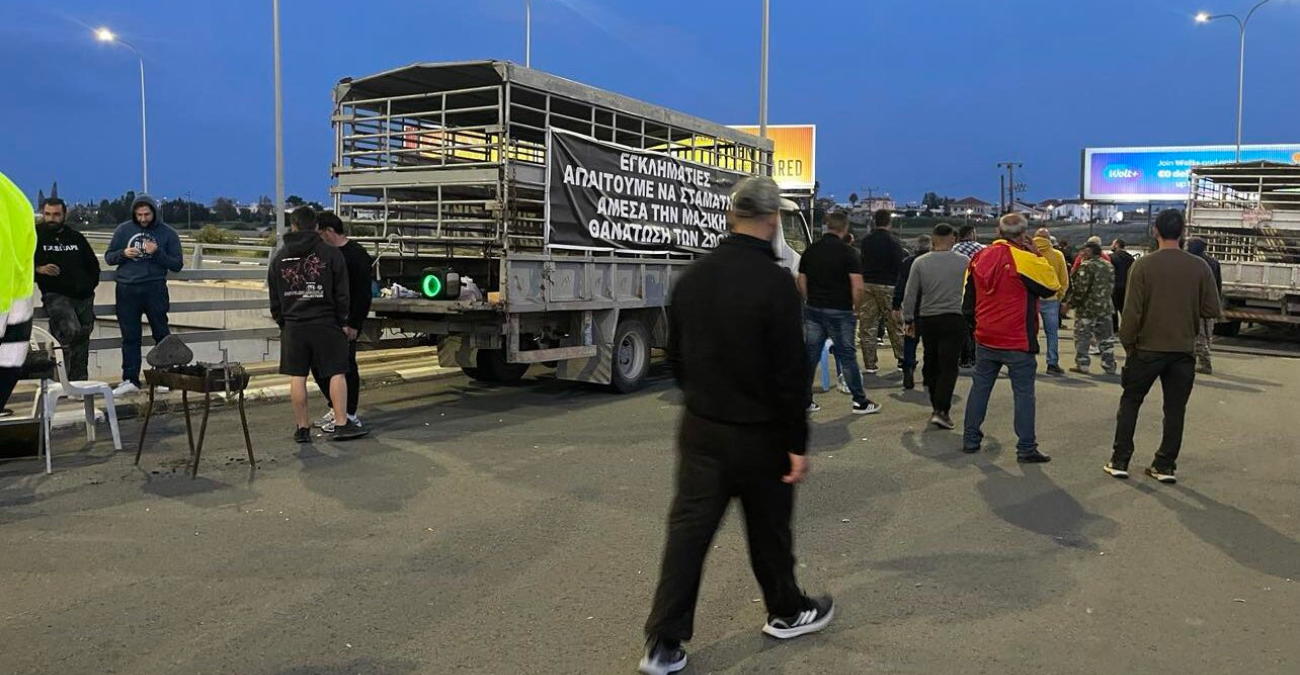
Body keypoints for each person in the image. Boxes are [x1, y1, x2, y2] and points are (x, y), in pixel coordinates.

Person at [640, 176, 832, 675]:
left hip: (701, 428)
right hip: (761, 433)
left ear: (732, 216)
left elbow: (676, 356)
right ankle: (786, 611)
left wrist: (703, 398)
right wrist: (796, 443)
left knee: (689, 533)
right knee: (769, 530)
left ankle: (663, 642)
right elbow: (790, 373)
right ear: (772, 219)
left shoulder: (694, 277)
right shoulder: (776, 284)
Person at [1106, 210, 1221, 483]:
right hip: (1182, 350)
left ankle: (1120, 460)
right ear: (1183, 232)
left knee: (1131, 402)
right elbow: (1211, 309)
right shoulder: (1200, 267)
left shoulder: (1143, 266)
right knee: (1175, 410)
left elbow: (1131, 313)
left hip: (1146, 348)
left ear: (1155, 231)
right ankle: (1165, 465)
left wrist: (1129, 344)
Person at [961, 213, 1061, 461]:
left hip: (986, 337)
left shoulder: (979, 257)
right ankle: (1026, 447)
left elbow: (967, 301)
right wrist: (1037, 255)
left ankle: (970, 438)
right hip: (1018, 339)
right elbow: (1051, 286)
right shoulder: (1024, 259)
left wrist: (978, 327)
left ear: (998, 231)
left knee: (980, 388)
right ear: (1024, 234)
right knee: (1024, 394)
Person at [268, 206, 367, 443]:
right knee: (337, 373)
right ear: (315, 226)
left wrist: (283, 321)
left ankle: (302, 429)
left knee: (298, 376)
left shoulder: (280, 258)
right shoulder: (331, 254)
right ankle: (342, 423)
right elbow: (342, 293)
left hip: (293, 325)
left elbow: (274, 298)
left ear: (293, 226)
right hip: (326, 322)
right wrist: (342, 320)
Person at [799, 212, 881, 416]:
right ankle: (860, 401)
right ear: (845, 229)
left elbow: (801, 279)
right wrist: (856, 308)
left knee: (810, 355)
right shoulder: (849, 252)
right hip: (841, 311)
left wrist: (808, 299)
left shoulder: (811, 250)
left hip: (814, 309)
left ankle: (804, 400)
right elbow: (858, 286)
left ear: (827, 226)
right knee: (847, 357)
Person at [104, 195, 183, 395]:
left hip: (155, 288)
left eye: (147, 214)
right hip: (127, 289)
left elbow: (177, 264)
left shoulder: (168, 233)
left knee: (161, 333)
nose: (143, 218)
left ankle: (164, 377)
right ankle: (130, 379)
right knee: (130, 337)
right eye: (139, 215)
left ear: (154, 212)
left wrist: (157, 253)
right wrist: (123, 253)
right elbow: (109, 257)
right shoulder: (123, 230)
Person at [311, 211, 374, 432]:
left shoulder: (357, 255)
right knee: (318, 365)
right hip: (326, 318)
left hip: (347, 319)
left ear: (329, 231)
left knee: (345, 366)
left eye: (320, 234)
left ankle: (349, 413)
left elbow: (363, 293)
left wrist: (355, 323)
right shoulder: (324, 254)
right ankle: (335, 406)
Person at [902, 224, 969, 430]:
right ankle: (942, 410)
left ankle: (935, 404)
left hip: (928, 318)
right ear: (953, 239)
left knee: (931, 360)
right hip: (955, 317)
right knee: (949, 365)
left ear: (933, 240)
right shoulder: (965, 262)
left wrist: (908, 319)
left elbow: (910, 293)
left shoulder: (920, 262)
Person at [34, 198, 100, 381]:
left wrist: (89, 286)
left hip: (84, 296)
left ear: (64, 215)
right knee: (70, 332)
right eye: (48, 214)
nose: (51, 218)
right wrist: (37, 269)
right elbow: (19, 263)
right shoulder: (34, 236)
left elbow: (93, 265)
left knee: (83, 337)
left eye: (56, 214)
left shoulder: (75, 237)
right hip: (56, 295)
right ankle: (61, 382)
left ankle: (79, 383)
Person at [856, 209, 906, 374]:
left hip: (868, 284)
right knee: (895, 325)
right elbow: (899, 265)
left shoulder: (866, 240)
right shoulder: (894, 241)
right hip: (888, 285)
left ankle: (870, 364)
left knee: (868, 326)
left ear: (875, 221)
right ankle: (902, 360)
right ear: (889, 222)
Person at [1064, 242, 1117, 375]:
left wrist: (1070, 304)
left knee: (1083, 337)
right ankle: (1109, 364)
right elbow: (1111, 286)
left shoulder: (1087, 266)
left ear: (1089, 251)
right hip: (1105, 307)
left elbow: (1081, 289)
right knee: (1106, 338)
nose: (1081, 253)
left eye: (1083, 251)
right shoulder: (1108, 265)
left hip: (1088, 309)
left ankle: (1083, 364)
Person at [893, 234, 932, 390]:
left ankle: (908, 367)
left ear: (916, 247)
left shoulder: (907, 262)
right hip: (931, 309)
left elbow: (901, 285)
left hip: (913, 308)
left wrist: (896, 305)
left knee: (910, 341)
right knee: (930, 344)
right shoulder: (934, 262)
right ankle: (928, 374)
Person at [1032, 228, 1070, 376]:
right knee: (1052, 333)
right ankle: (1052, 363)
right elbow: (1064, 279)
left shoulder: (1027, 252)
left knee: (1029, 332)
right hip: (1051, 298)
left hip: (1031, 298)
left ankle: (1028, 363)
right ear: (1049, 239)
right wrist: (1059, 296)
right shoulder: (1057, 255)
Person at [1186, 237, 1222, 374]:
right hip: (1209, 302)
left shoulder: (1192, 262)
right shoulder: (1213, 262)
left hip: (1196, 303)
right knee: (1207, 333)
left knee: (1198, 334)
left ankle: (1205, 363)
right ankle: (1202, 359)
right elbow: (1218, 285)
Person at [953, 224, 984, 367]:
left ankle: (963, 357)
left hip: (958, 291)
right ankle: (975, 356)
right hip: (977, 292)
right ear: (971, 234)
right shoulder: (982, 249)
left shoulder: (954, 249)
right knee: (976, 325)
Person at [1109, 239, 1135, 331]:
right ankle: (1127, 327)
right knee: (1124, 308)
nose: (1111, 245)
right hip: (1127, 286)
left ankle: (1115, 328)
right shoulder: (1130, 258)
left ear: (1117, 245)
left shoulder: (1111, 257)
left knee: (1113, 309)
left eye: (1112, 243)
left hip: (1114, 286)